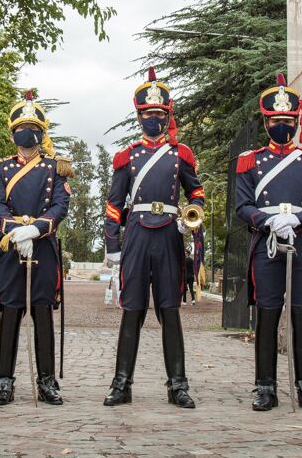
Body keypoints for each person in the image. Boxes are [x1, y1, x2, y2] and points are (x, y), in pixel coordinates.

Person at [102, 68, 205, 409]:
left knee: (170, 311)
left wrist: (192, 216)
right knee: (132, 311)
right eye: (148, 115)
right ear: (139, 116)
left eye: (159, 115)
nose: (154, 120)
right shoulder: (127, 156)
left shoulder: (180, 155)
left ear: (167, 115)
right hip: (136, 236)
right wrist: (113, 249)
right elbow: (114, 206)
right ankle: (121, 383)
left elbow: (197, 192)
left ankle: (178, 385)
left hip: (169, 236)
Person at [235, 74, 302, 411]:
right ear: (266, 121)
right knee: (267, 313)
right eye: (276, 120)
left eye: (288, 121)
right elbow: (243, 206)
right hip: (267, 243)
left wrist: (298, 220)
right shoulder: (250, 161)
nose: (282, 126)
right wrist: (269, 220)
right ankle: (265, 386)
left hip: (301, 243)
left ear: (296, 121)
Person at [0, 90, 71, 406]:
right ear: (12, 133)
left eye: (32, 126)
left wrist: (35, 229)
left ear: (41, 132)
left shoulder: (55, 167)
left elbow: (61, 205)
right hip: (11, 248)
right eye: (21, 127)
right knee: (10, 313)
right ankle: (3, 381)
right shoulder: (1, 169)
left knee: (43, 313)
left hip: (43, 247)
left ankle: (47, 381)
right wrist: (16, 232)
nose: (27, 132)